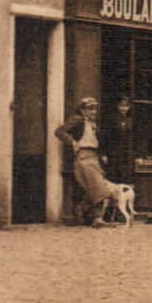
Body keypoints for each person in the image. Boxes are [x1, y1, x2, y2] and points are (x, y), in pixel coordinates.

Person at [54, 97, 111, 226]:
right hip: (83, 157)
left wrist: (101, 155)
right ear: (82, 110)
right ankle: (97, 219)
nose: (93, 112)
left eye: (94, 109)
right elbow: (59, 131)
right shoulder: (77, 120)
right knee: (98, 186)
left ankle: (83, 211)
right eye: (89, 109)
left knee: (97, 186)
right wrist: (73, 142)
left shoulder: (93, 123)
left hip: (94, 156)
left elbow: (95, 142)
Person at [108, 95, 135, 186]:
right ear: (117, 106)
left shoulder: (131, 121)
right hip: (115, 153)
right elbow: (106, 138)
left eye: (126, 106)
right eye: (121, 106)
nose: (123, 108)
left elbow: (137, 138)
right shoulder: (112, 120)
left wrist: (139, 155)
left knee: (128, 178)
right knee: (114, 178)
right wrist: (103, 153)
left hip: (128, 153)